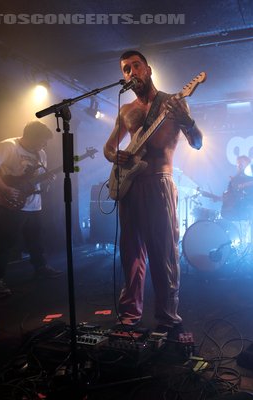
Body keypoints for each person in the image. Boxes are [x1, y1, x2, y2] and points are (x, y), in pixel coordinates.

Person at [103, 50, 203, 336]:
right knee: (130, 253)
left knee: (164, 253)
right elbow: (109, 147)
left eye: (136, 66)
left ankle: (167, 316)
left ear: (148, 69)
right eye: (125, 69)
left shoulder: (174, 103)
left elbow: (197, 143)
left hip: (159, 181)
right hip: (130, 185)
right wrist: (116, 156)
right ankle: (129, 314)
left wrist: (186, 121)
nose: (131, 72)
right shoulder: (126, 111)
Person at [0, 121, 62, 299]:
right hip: (13, 202)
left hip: (34, 204)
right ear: (31, 138)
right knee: (4, 242)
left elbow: (36, 181)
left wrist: (47, 181)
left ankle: (40, 268)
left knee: (36, 239)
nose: (44, 145)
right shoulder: (9, 146)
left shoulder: (41, 153)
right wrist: (3, 188)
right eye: (41, 141)